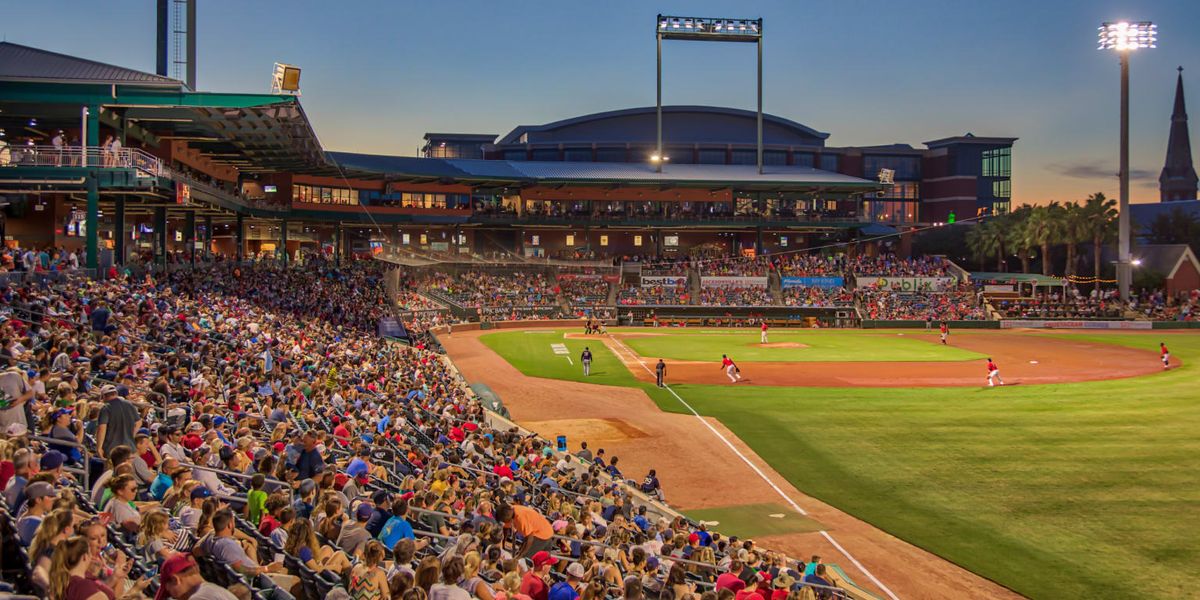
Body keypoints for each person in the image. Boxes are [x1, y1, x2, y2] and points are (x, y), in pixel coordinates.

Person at [156, 552, 240, 600]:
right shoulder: (212, 591)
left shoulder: (199, 597)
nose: (175, 598)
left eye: (169, 592)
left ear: (175, 580)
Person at [96, 384, 140, 460]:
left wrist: (99, 447)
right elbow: (139, 422)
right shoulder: (129, 404)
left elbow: (102, 428)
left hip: (113, 450)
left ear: (104, 396)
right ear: (116, 394)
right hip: (129, 448)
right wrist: (131, 435)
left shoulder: (106, 408)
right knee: (127, 470)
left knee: (112, 471)